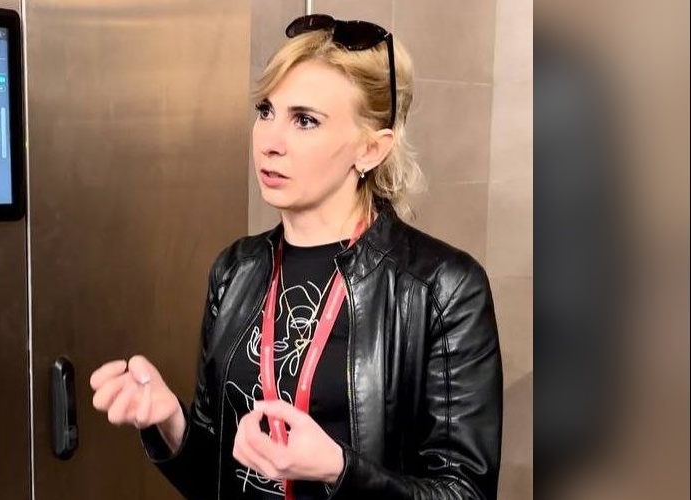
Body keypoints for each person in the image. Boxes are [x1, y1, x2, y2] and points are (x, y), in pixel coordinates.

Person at [90, 14, 502, 500]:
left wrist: (338, 469)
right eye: (266, 111)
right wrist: (171, 423)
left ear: (371, 149)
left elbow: (463, 491)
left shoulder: (443, 288)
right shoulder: (235, 270)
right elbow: (219, 480)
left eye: (305, 120)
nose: (270, 142)